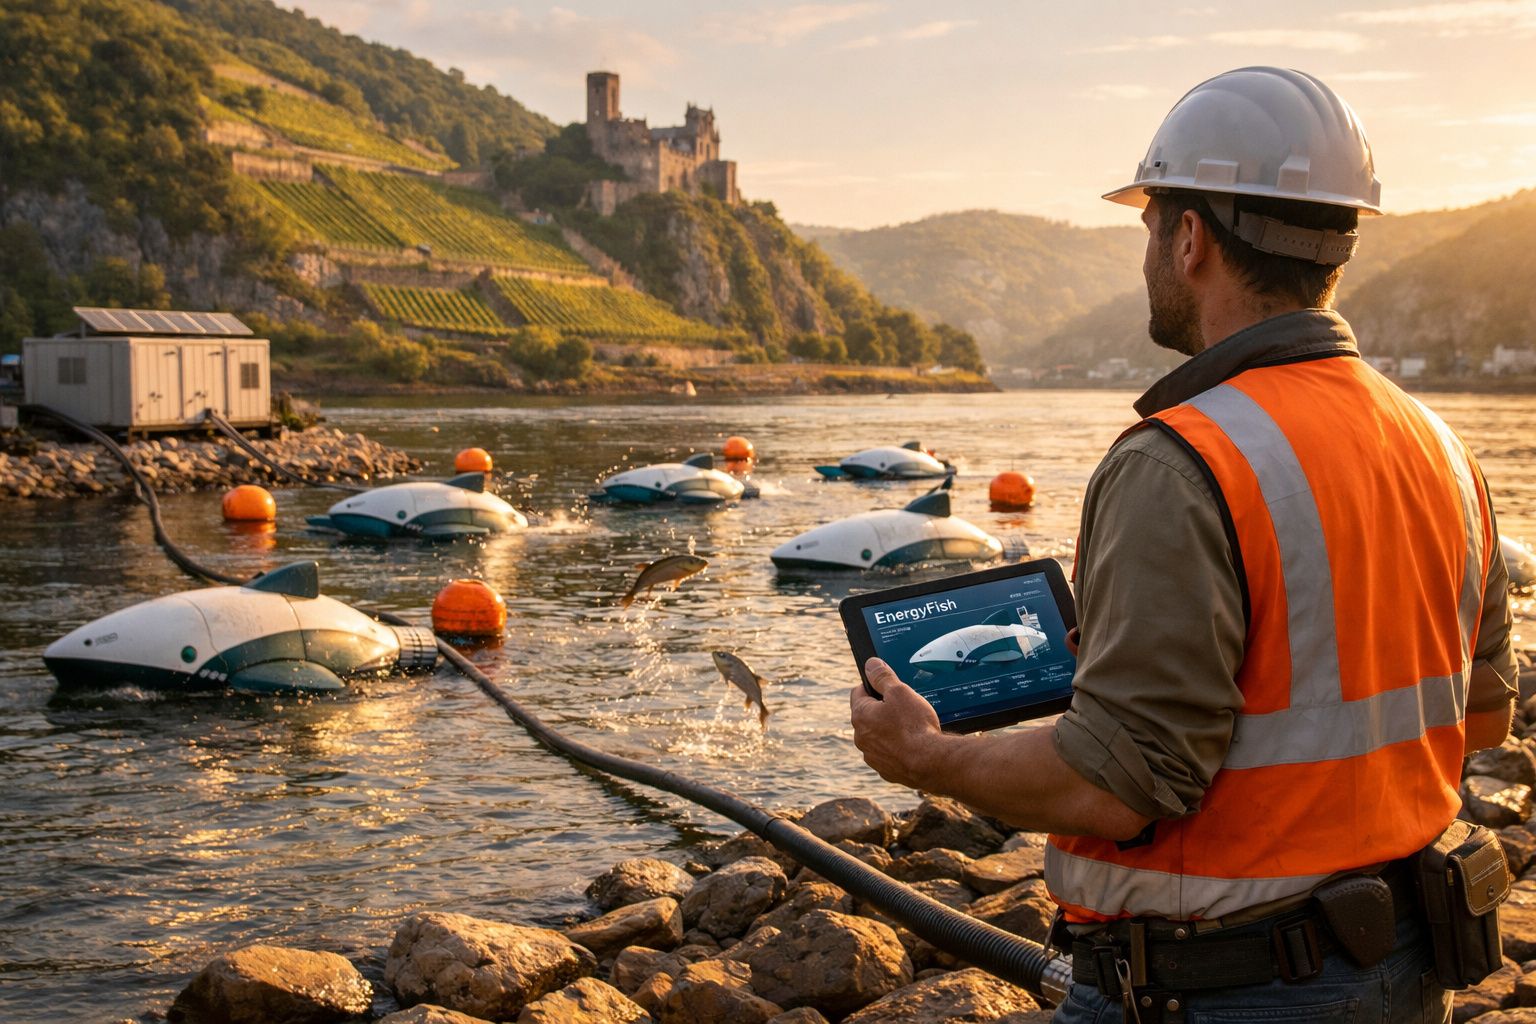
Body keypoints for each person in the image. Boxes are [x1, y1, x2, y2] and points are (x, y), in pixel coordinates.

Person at [849, 66, 1518, 1023]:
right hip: (1403, 967)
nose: (1150, 253)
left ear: (1192, 238)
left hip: (1228, 992)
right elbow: (1482, 715)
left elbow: (1118, 786)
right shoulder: (1439, 446)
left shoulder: (1180, 460)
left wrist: (927, 756)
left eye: (1152, 225)